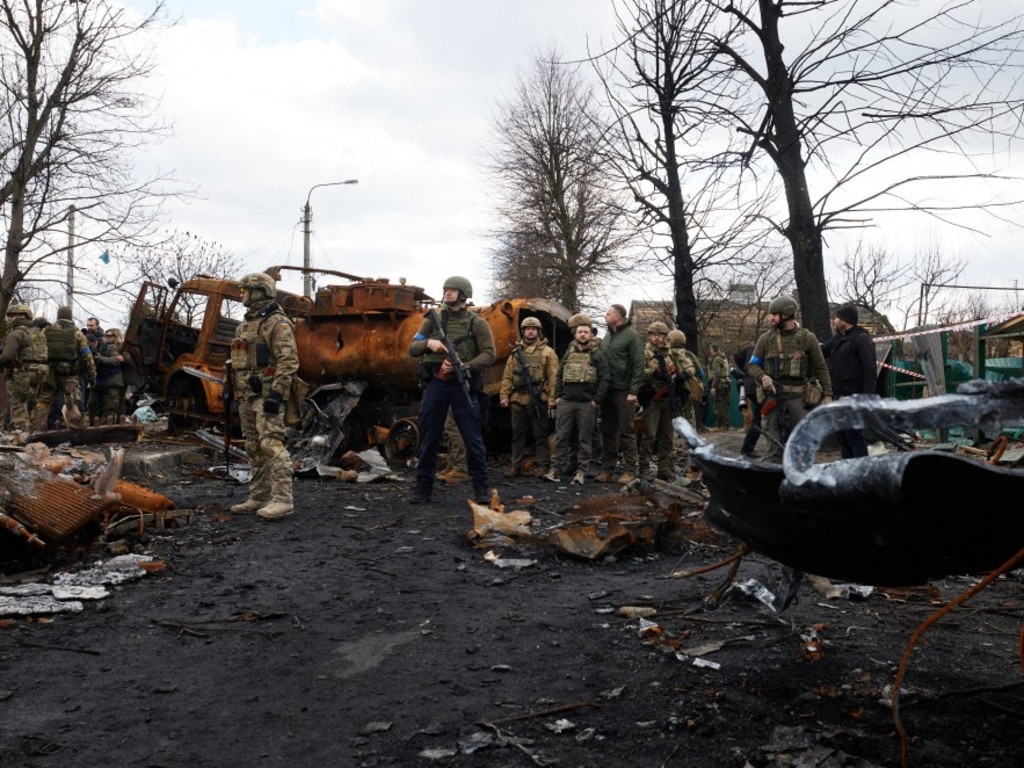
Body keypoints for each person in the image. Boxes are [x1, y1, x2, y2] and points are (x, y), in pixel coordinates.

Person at [408, 276, 495, 505]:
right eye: (446, 290)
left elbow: (489, 354)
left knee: (472, 437)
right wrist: (429, 344)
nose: (447, 293)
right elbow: (412, 347)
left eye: (453, 291)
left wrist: (466, 366)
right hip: (436, 383)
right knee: (430, 436)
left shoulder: (477, 323)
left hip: (462, 385)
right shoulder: (432, 319)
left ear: (464, 294)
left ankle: (481, 489)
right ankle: (423, 488)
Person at [228, 272, 300, 521]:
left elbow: (288, 360)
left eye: (245, 290)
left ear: (259, 292)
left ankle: (282, 499)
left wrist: (277, 393)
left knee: (271, 444)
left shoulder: (276, 323)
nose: (241, 295)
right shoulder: (245, 324)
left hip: (268, 394)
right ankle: (259, 495)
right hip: (247, 395)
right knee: (253, 446)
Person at [747, 295, 833, 459]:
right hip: (772, 398)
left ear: (787, 314)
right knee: (774, 446)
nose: (771, 318)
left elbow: (821, 367)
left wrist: (828, 394)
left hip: (798, 399)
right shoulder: (766, 339)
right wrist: (763, 377)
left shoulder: (808, 338)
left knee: (800, 446)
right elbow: (752, 365)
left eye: (775, 314)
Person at [545, 313, 609, 484]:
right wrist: (558, 396)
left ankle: (582, 470)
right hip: (566, 402)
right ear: (575, 334)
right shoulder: (569, 352)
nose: (582, 335)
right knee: (562, 436)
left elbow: (605, 379)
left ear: (590, 334)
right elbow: (559, 375)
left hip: (586, 404)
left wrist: (596, 400)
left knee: (584, 439)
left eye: (585, 332)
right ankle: (555, 469)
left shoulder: (597, 354)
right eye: (579, 332)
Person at [500, 316, 558, 478]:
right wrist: (504, 395)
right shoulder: (515, 354)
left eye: (533, 329)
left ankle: (543, 466)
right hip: (518, 399)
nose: (530, 331)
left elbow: (553, 378)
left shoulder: (548, 353)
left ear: (538, 332)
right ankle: (515, 466)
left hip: (538, 399)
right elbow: (507, 376)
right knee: (517, 434)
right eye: (527, 329)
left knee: (540, 434)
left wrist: (552, 399)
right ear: (523, 331)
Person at [638, 321, 696, 481]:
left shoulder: (673, 353)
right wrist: (653, 373)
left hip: (669, 399)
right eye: (655, 335)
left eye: (661, 335)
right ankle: (644, 468)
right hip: (652, 399)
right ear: (649, 336)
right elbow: (637, 372)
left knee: (667, 436)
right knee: (649, 435)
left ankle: (664, 468)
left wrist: (685, 374)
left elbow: (690, 367)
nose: (658, 339)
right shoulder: (643, 353)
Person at [595, 303, 645, 485]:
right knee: (607, 431)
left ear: (618, 317)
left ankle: (630, 470)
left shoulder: (632, 336)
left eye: (608, 313)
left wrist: (633, 391)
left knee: (627, 431)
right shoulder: (607, 336)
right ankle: (607, 469)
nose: (605, 315)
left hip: (624, 392)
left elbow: (639, 364)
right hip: (607, 391)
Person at [821, 304, 876, 458]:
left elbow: (870, 371)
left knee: (853, 437)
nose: (834, 320)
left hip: (854, 397)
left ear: (845, 321)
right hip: (838, 395)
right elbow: (821, 351)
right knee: (841, 437)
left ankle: (859, 471)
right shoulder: (839, 338)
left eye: (837, 318)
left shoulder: (861, 339)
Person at [38, 305, 95, 430]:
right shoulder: (77, 333)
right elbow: (87, 356)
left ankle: (37, 428)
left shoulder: (46, 331)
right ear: (70, 316)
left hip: (49, 372)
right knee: (74, 401)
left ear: (58, 316)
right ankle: (78, 429)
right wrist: (92, 376)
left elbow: (38, 351)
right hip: (69, 373)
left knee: (43, 401)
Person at [0, 304, 49, 434]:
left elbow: (6, 356)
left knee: (18, 403)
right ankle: (35, 430)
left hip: (22, 372)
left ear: (22, 316)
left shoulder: (16, 334)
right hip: (39, 372)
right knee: (32, 402)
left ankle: (22, 433)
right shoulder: (38, 333)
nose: (9, 319)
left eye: (12, 315)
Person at [733, 340, 763, 459]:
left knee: (758, 416)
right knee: (759, 418)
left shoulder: (751, 349)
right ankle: (747, 448)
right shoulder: (764, 347)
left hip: (749, 384)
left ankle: (747, 448)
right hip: (757, 384)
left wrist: (744, 372)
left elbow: (737, 355)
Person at [90, 328, 126, 424]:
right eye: (106, 336)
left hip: (112, 380)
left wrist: (99, 358)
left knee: (110, 406)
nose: (107, 338)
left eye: (110, 336)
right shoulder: (100, 346)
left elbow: (116, 361)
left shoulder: (115, 347)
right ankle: (94, 426)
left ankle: (105, 427)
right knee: (94, 405)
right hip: (100, 379)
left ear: (116, 336)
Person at [708, 343, 731, 430]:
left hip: (720, 384)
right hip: (727, 383)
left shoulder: (716, 359)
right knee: (725, 405)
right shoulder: (724, 358)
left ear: (713, 350)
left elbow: (717, 373)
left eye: (710, 349)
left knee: (718, 405)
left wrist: (713, 386)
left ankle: (719, 426)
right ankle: (726, 426)